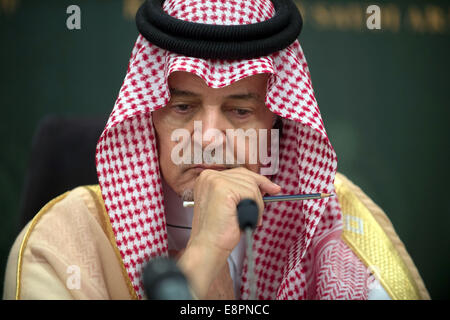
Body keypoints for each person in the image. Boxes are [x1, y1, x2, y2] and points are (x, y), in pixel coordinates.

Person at [3, 0, 429, 300]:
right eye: (183, 106)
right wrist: (203, 258)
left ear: (278, 120)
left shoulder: (334, 221)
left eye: (240, 110)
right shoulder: (63, 242)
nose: (208, 137)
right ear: (149, 113)